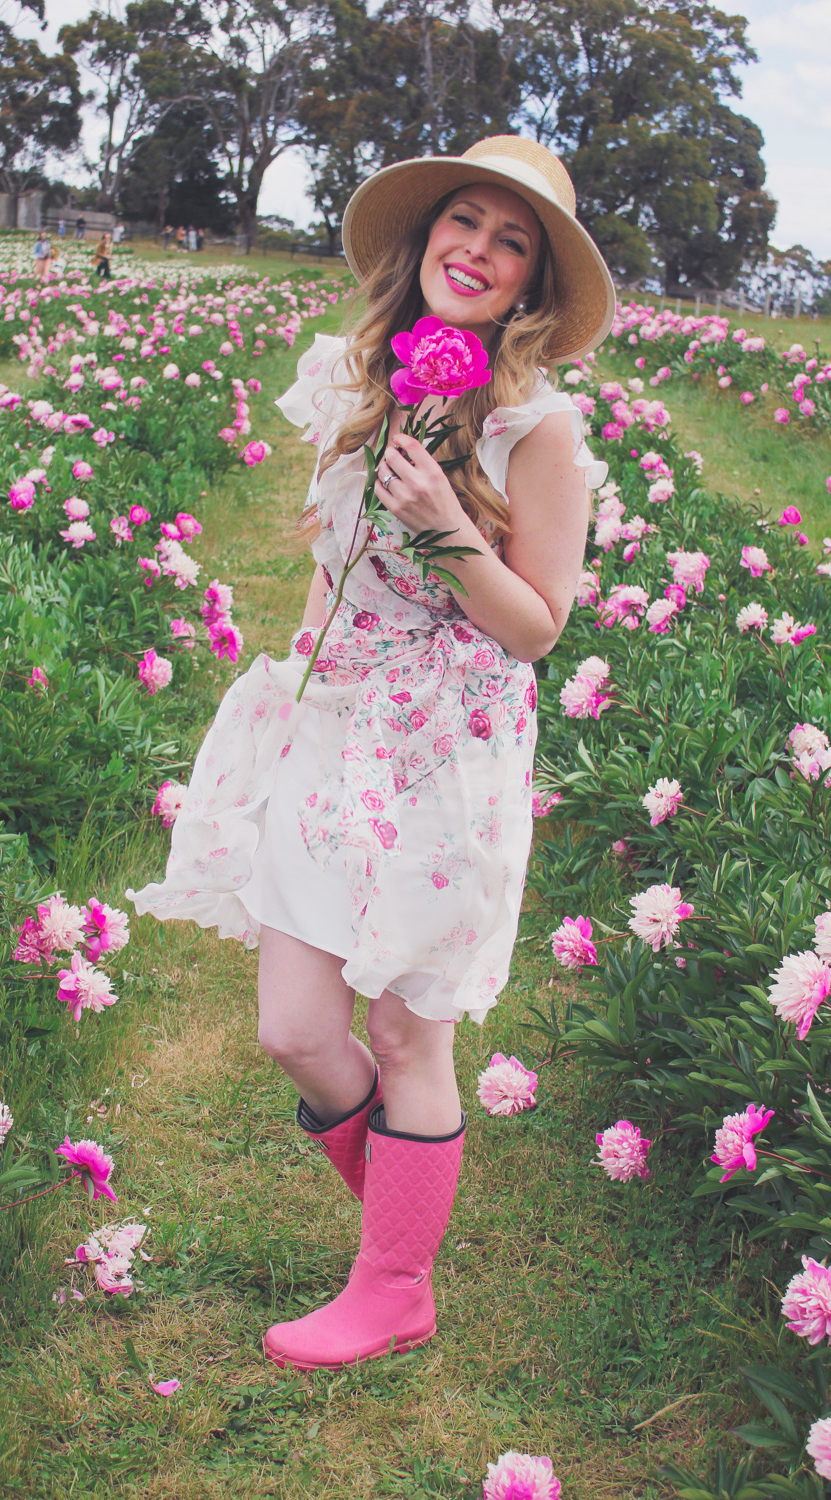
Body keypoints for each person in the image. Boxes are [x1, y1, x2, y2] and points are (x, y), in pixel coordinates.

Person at [128, 135, 615, 1372]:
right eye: (466, 222)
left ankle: (394, 1280)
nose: (480, 252)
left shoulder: (539, 433)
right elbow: (328, 552)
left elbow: (538, 630)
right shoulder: (365, 377)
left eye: (512, 243)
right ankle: (400, 1217)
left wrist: (449, 523)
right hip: (331, 724)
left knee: (408, 1039)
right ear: (425, 240)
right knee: (296, 1025)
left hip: (442, 760)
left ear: (530, 287)